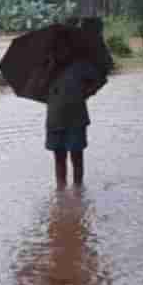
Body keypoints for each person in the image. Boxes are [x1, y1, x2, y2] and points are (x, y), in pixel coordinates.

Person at [45, 57, 104, 189]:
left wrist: (86, 92)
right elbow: (38, 86)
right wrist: (49, 68)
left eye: (62, 47)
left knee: (76, 157)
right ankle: (60, 191)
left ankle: (78, 190)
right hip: (55, 119)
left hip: (77, 118)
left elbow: (99, 79)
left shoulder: (80, 65)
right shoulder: (46, 65)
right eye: (55, 48)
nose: (59, 51)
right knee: (59, 158)